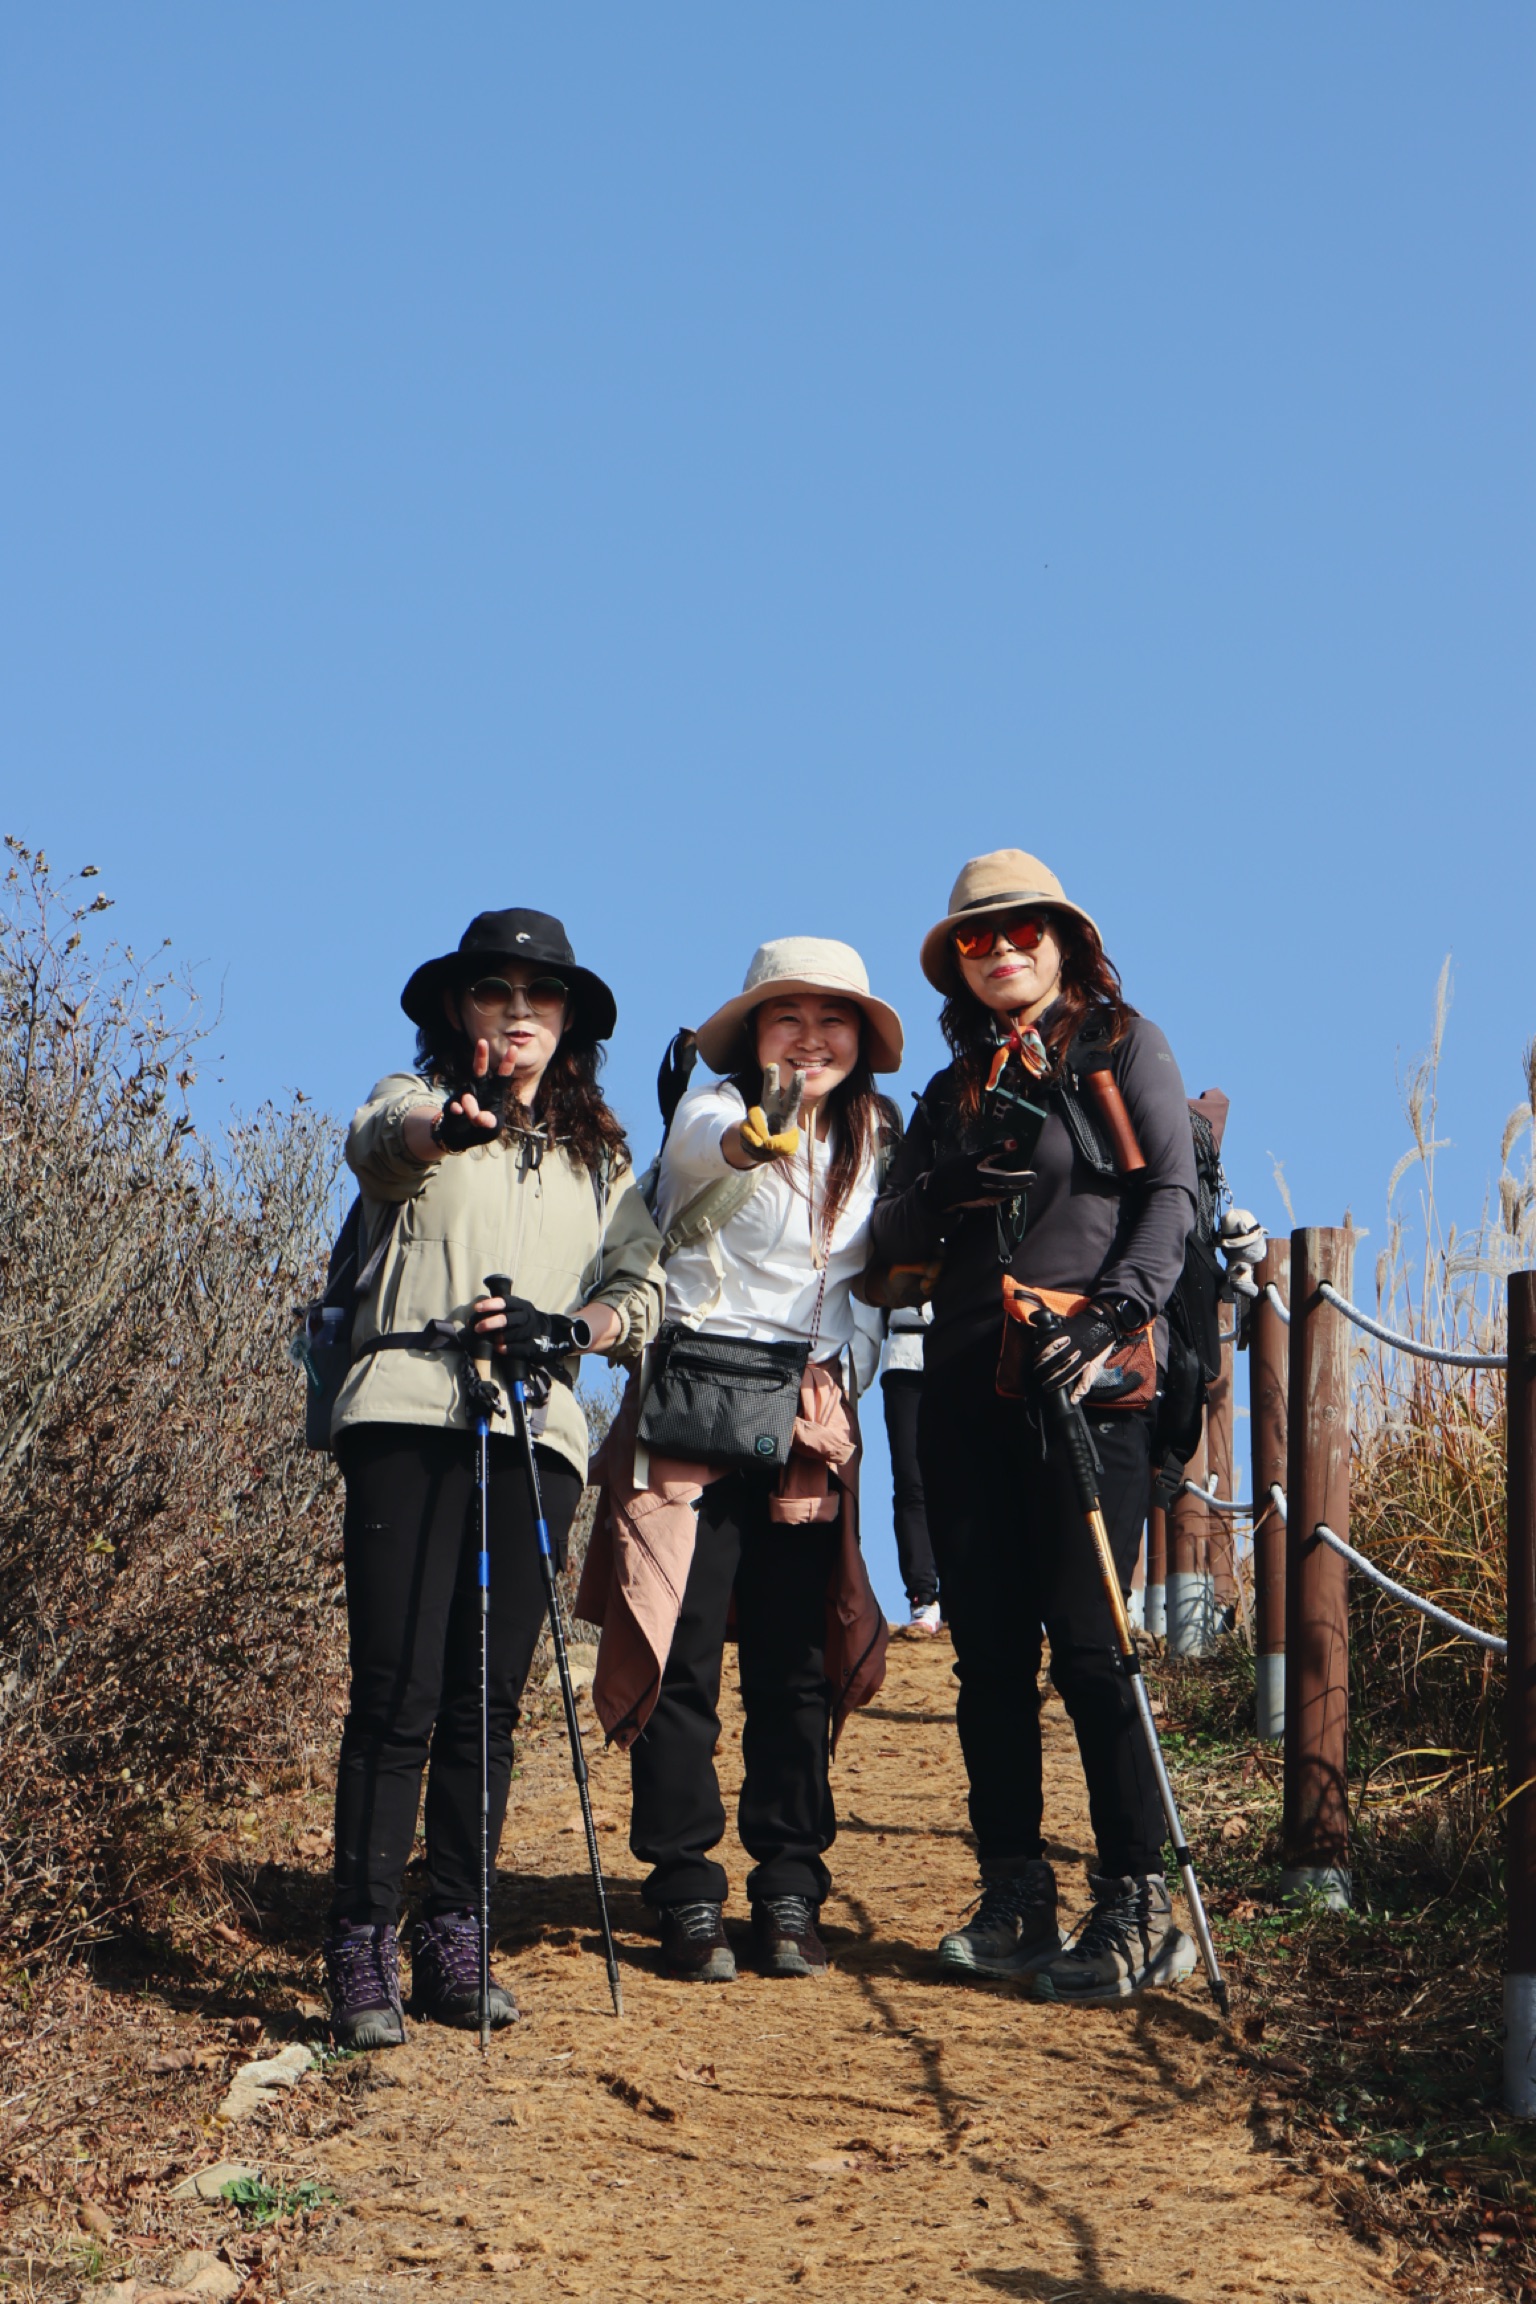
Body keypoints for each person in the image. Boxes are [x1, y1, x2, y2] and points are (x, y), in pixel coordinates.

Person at [322, 909, 664, 2049]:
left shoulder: (600, 1161)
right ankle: (359, 1942)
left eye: (542, 995)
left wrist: (569, 1328)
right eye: (493, 990)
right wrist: (449, 1121)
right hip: (407, 1413)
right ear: (455, 1010)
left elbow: (641, 1288)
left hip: (535, 1431)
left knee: (488, 1699)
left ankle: (455, 1935)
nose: (519, 1011)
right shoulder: (413, 1101)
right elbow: (381, 1142)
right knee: (395, 1693)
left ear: (570, 1024)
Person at [869, 851, 1199, 2005]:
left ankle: (1138, 1906)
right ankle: (1015, 1896)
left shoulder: (1123, 1047)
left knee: (1097, 1652)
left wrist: (1112, 1317)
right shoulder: (951, 1090)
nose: (1002, 949)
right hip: (965, 1390)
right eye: (977, 936)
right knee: (992, 1660)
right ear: (957, 963)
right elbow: (885, 1239)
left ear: (1065, 942)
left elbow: (1171, 1197)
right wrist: (947, 1184)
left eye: (1023, 931)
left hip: (1088, 1389)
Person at [577, 939, 899, 1983]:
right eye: (786, 1017)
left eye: (833, 1019)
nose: (811, 1038)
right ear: (752, 1032)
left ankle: (790, 1886)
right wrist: (757, 1135)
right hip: (693, 1403)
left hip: (807, 1416)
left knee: (793, 1663)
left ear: (861, 1039)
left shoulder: (881, 1138)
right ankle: (684, 1888)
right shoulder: (709, 1110)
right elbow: (710, 1152)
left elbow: (875, 1285)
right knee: (680, 1651)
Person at [879, 1303, 941, 1634]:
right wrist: (847, 1386)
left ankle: (964, 1596)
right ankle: (923, 1598)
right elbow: (866, 1311)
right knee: (910, 1483)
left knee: (968, 1484)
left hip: (965, 1356)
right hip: (904, 1361)